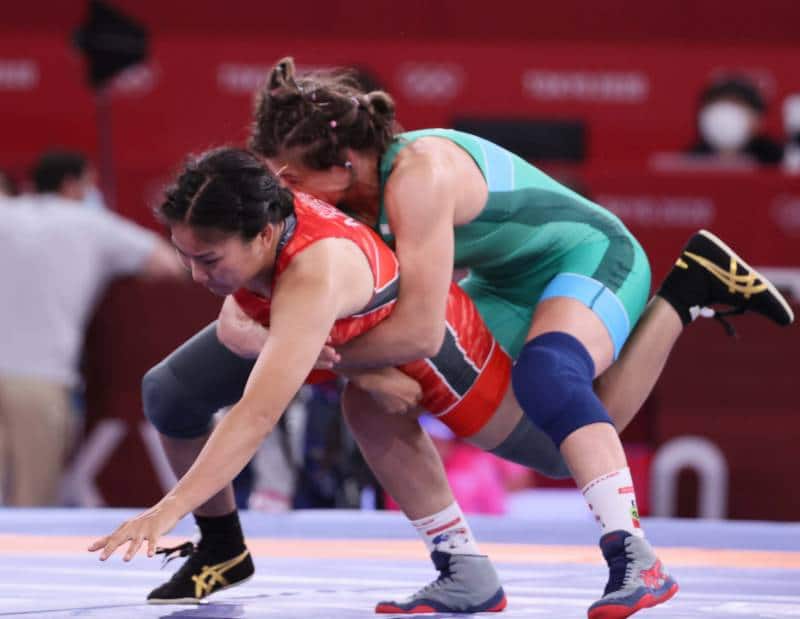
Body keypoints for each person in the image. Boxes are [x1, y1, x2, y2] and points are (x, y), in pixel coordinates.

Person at [92, 145, 791, 619]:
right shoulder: (254, 208)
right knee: (170, 392)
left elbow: (254, 415)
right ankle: (225, 547)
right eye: (186, 257)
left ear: (265, 235)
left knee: (554, 446)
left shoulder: (314, 274)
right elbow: (243, 319)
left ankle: (681, 298)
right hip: (359, 342)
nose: (196, 275)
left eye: (209, 260)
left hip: (443, 350)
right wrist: (323, 356)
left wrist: (165, 510)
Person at [0, 149, 184, 506]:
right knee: (33, 507)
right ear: (72, 185)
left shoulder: (6, 215)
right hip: (40, 380)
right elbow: (170, 264)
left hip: (32, 376)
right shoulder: (93, 225)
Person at [687, 74, 784, 166]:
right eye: (721, 104)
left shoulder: (779, 160)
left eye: (737, 104)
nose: (726, 115)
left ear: (758, 119)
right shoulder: (691, 160)